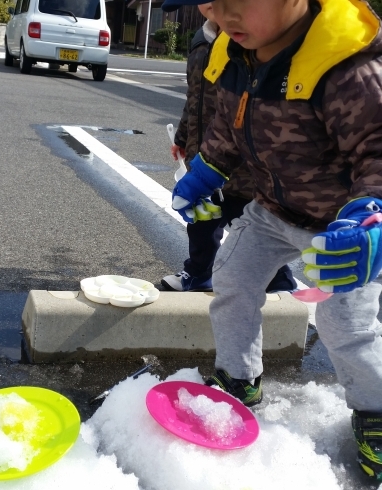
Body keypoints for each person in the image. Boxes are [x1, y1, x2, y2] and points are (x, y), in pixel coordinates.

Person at [162, 0, 382, 480]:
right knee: (234, 276)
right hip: (272, 210)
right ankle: (239, 378)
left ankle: (376, 411)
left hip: (343, 228)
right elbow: (226, 128)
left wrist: (372, 219)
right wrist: (204, 172)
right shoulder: (234, 53)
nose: (223, 14)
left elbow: (377, 150)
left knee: (346, 326)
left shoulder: (343, 66)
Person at [161, 3, 296, 294]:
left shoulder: (256, 45)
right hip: (205, 157)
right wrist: (182, 138)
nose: (213, 6)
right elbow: (193, 100)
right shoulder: (201, 42)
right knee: (200, 225)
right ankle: (198, 273)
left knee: (248, 225)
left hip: (245, 167)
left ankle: (279, 281)